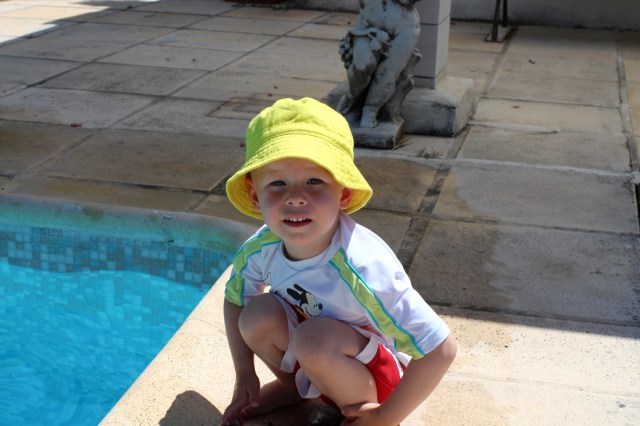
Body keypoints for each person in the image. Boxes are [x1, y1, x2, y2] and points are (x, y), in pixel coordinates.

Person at [221, 97, 456, 425]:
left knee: (313, 339)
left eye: (314, 181)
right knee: (256, 315)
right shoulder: (262, 248)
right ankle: (297, 389)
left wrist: (387, 416)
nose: (295, 197)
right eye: (277, 183)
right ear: (255, 195)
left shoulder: (362, 266)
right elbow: (236, 300)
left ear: (343, 194)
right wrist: (244, 373)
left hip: (378, 379)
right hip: (320, 351)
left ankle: (360, 415)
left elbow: (440, 348)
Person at [336, 0, 422, 128]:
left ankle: (371, 109)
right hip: (369, 25)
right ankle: (352, 96)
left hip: (403, 28)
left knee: (387, 74)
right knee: (362, 66)